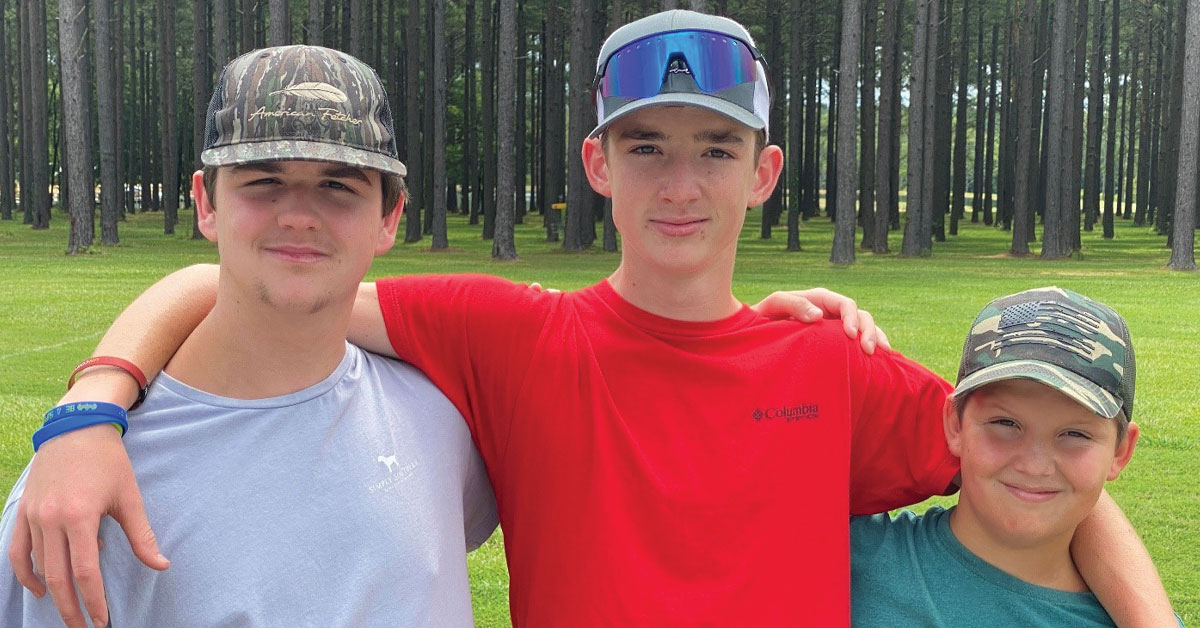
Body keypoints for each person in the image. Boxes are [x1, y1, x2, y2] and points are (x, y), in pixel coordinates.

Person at [8, 10, 1178, 628]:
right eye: (647, 148)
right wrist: (93, 405)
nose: (681, 184)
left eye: (715, 149)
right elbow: (259, 279)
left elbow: (1045, 465)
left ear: (765, 174)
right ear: (597, 164)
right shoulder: (507, 335)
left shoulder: (830, 360)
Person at [0, 45, 499, 628]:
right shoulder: (78, 490)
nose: (298, 216)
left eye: (338, 186)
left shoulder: (442, 419)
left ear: (388, 218)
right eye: (264, 181)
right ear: (206, 204)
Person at [851, 287, 1186, 627]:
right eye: (1005, 423)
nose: (1034, 465)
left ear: (1121, 451)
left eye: (1075, 434)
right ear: (954, 424)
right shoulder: (851, 557)